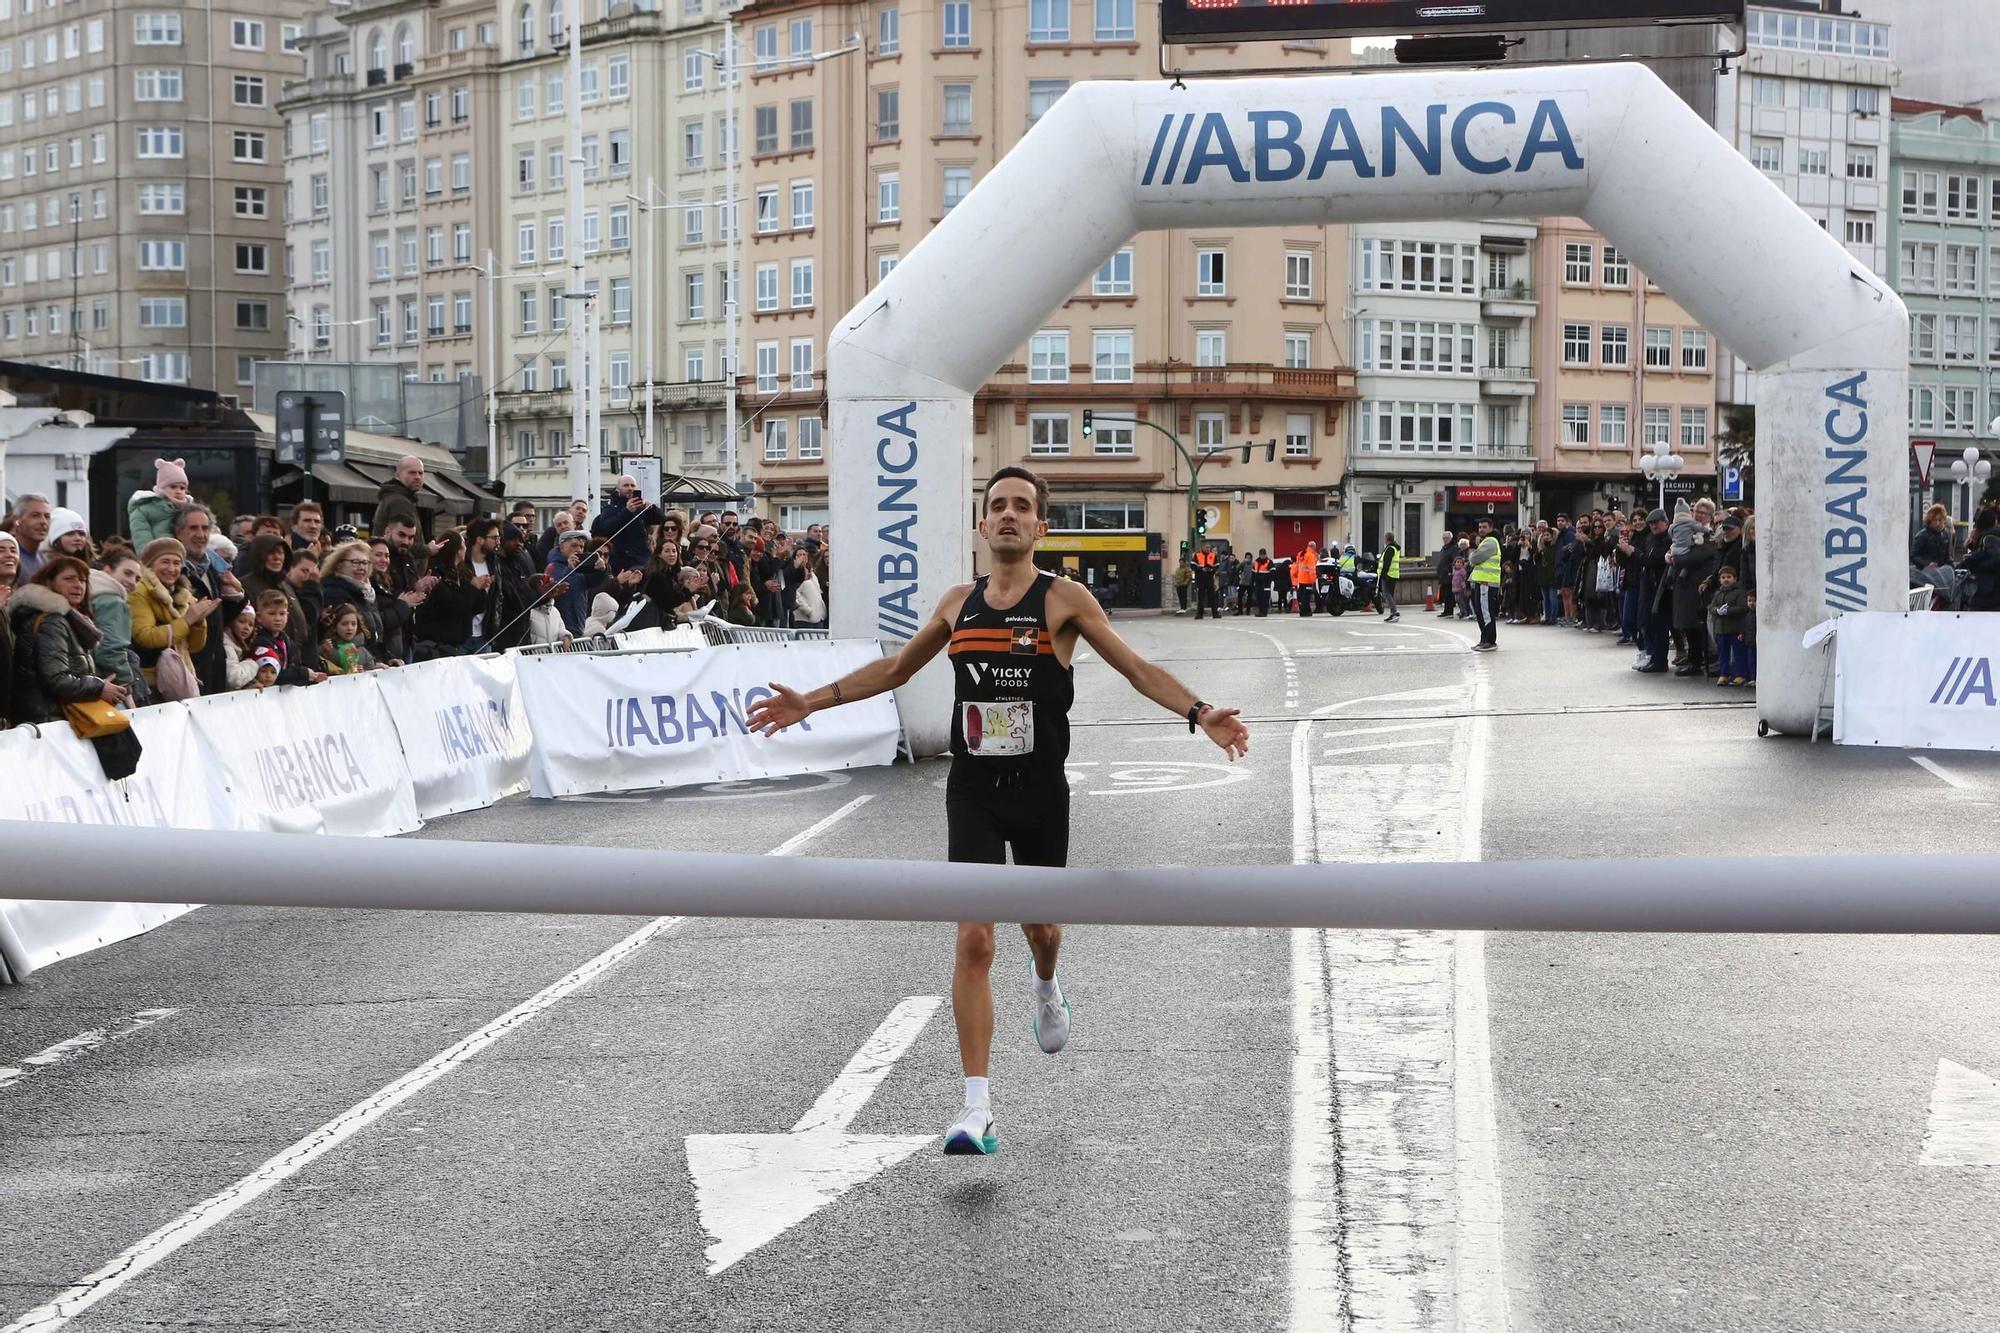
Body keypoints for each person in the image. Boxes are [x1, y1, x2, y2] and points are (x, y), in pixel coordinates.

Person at [746, 465, 1249, 1156]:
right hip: (974, 791)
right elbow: (895, 670)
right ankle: (976, 1108)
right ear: (982, 525)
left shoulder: (1063, 599)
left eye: (1022, 506)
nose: (1008, 514)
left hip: (1041, 791)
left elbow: (1136, 668)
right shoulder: (959, 603)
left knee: (1040, 927)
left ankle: (1046, 983)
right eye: (997, 506)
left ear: (1040, 525)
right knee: (974, 940)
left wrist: (1200, 712)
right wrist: (811, 699)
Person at [9, 556, 128, 725]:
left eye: (83, 580)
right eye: (69, 579)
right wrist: (99, 688)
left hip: (55, 720)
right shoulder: (52, 621)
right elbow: (57, 679)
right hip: (50, 722)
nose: (78, 585)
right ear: (49, 582)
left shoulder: (67, 619)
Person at [129, 538, 217, 694]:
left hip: (178, 677)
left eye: (176, 563)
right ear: (150, 564)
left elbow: (195, 647)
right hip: (152, 683)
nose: (171, 568)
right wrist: (187, 620)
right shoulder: (140, 591)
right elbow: (144, 636)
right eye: (165, 562)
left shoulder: (184, 594)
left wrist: (198, 621)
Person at [89, 550, 146, 702]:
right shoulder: (113, 601)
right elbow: (111, 650)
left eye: (137, 578)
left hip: (90, 682)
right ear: (107, 570)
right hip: (108, 686)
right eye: (127, 573)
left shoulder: (88, 592)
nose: (133, 582)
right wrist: (127, 692)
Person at [590, 474, 664, 575]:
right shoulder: (610, 509)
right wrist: (627, 511)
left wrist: (651, 508)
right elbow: (607, 527)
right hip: (620, 561)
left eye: (632, 486)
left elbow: (661, 519)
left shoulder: (640, 509)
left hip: (641, 558)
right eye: (626, 485)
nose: (630, 488)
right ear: (618, 489)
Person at [251, 589, 326, 686]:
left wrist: (310, 678)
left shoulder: (286, 639)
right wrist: (303, 674)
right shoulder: (261, 641)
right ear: (259, 617)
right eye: (272, 613)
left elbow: (291, 667)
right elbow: (272, 676)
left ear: (287, 615)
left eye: (282, 614)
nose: (278, 618)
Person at [128, 459, 192, 547]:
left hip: (185, 556)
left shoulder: (191, 510)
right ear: (162, 488)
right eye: (173, 487)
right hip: (160, 555)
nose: (178, 491)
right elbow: (141, 536)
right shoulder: (145, 509)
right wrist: (148, 557)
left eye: (182, 488)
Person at [1710, 566, 1754, 686]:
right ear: (1719, 580)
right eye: (1723, 577)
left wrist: (1728, 611)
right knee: (1723, 653)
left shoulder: (1739, 592)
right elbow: (1712, 607)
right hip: (1721, 629)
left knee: (1738, 652)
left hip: (1735, 628)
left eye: (1729, 577)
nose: (1726, 580)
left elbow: (1742, 608)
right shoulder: (1718, 593)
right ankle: (1724, 674)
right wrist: (1717, 610)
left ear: (1735, 579)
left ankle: (1740, 674)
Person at [371, 455, 427, 539]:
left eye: (420, 473)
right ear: (397, 475)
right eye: (412, 473)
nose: (418, 477)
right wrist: (428, 550)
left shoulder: (397, 497)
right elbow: (403, 543)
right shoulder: (399, 501)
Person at [1466, 518, 1501, 651]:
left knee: (1485, 613)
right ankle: (1484, 639)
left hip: (1486, 582)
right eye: (1480, 527)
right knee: (1480, 612)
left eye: (1484, 527)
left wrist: (1472, 554)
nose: (1481, 529)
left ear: (1491, 528)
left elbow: (1474, 558)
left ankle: (1489, 641)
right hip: (1482, 582)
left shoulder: (1490, 542)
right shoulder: (1486, 541)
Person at [321, 604, 384, 675]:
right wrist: (325, 652)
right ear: (335, 626)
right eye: (344, 624)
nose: (349, 628)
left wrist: (363, 672)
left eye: (353, 624)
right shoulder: (327, 647)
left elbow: (371, 674)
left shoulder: (363, 651)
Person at [222, 604, 272, 690]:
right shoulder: (227, 647)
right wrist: (252, 664)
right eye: (241, 621)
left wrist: (249, 684)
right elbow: (234, 679)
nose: (247, 628)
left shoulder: (241, 646)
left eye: (251, 624)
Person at [11, 494, 52, 580]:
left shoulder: (45, 561)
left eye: (47, 516)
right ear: (16, 520)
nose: (43, 521)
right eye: (35, 515)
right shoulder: (8, 558)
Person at [1378, 532, 1402, 622]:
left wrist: (1383, 574)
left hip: (1388, 575)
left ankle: (1395, 612)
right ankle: (1392, 613)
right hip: (1393, 575)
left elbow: (1386, 563)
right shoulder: (1394, 548)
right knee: (1390, 595)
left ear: (1387, 539)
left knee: (1386, 594)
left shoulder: (1390, 549)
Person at [1292, 542, 1318, 617]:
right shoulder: (1310, 556)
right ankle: (1305, 611)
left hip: (1300, 579)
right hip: (1307, 580)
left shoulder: (1301, 554)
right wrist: (1313, 580)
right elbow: (1312, 570)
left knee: (1301, 596)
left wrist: (1295, 574)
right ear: (1314, 547)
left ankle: (1303, 611)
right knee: (1306, 597)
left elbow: (1297, 566)